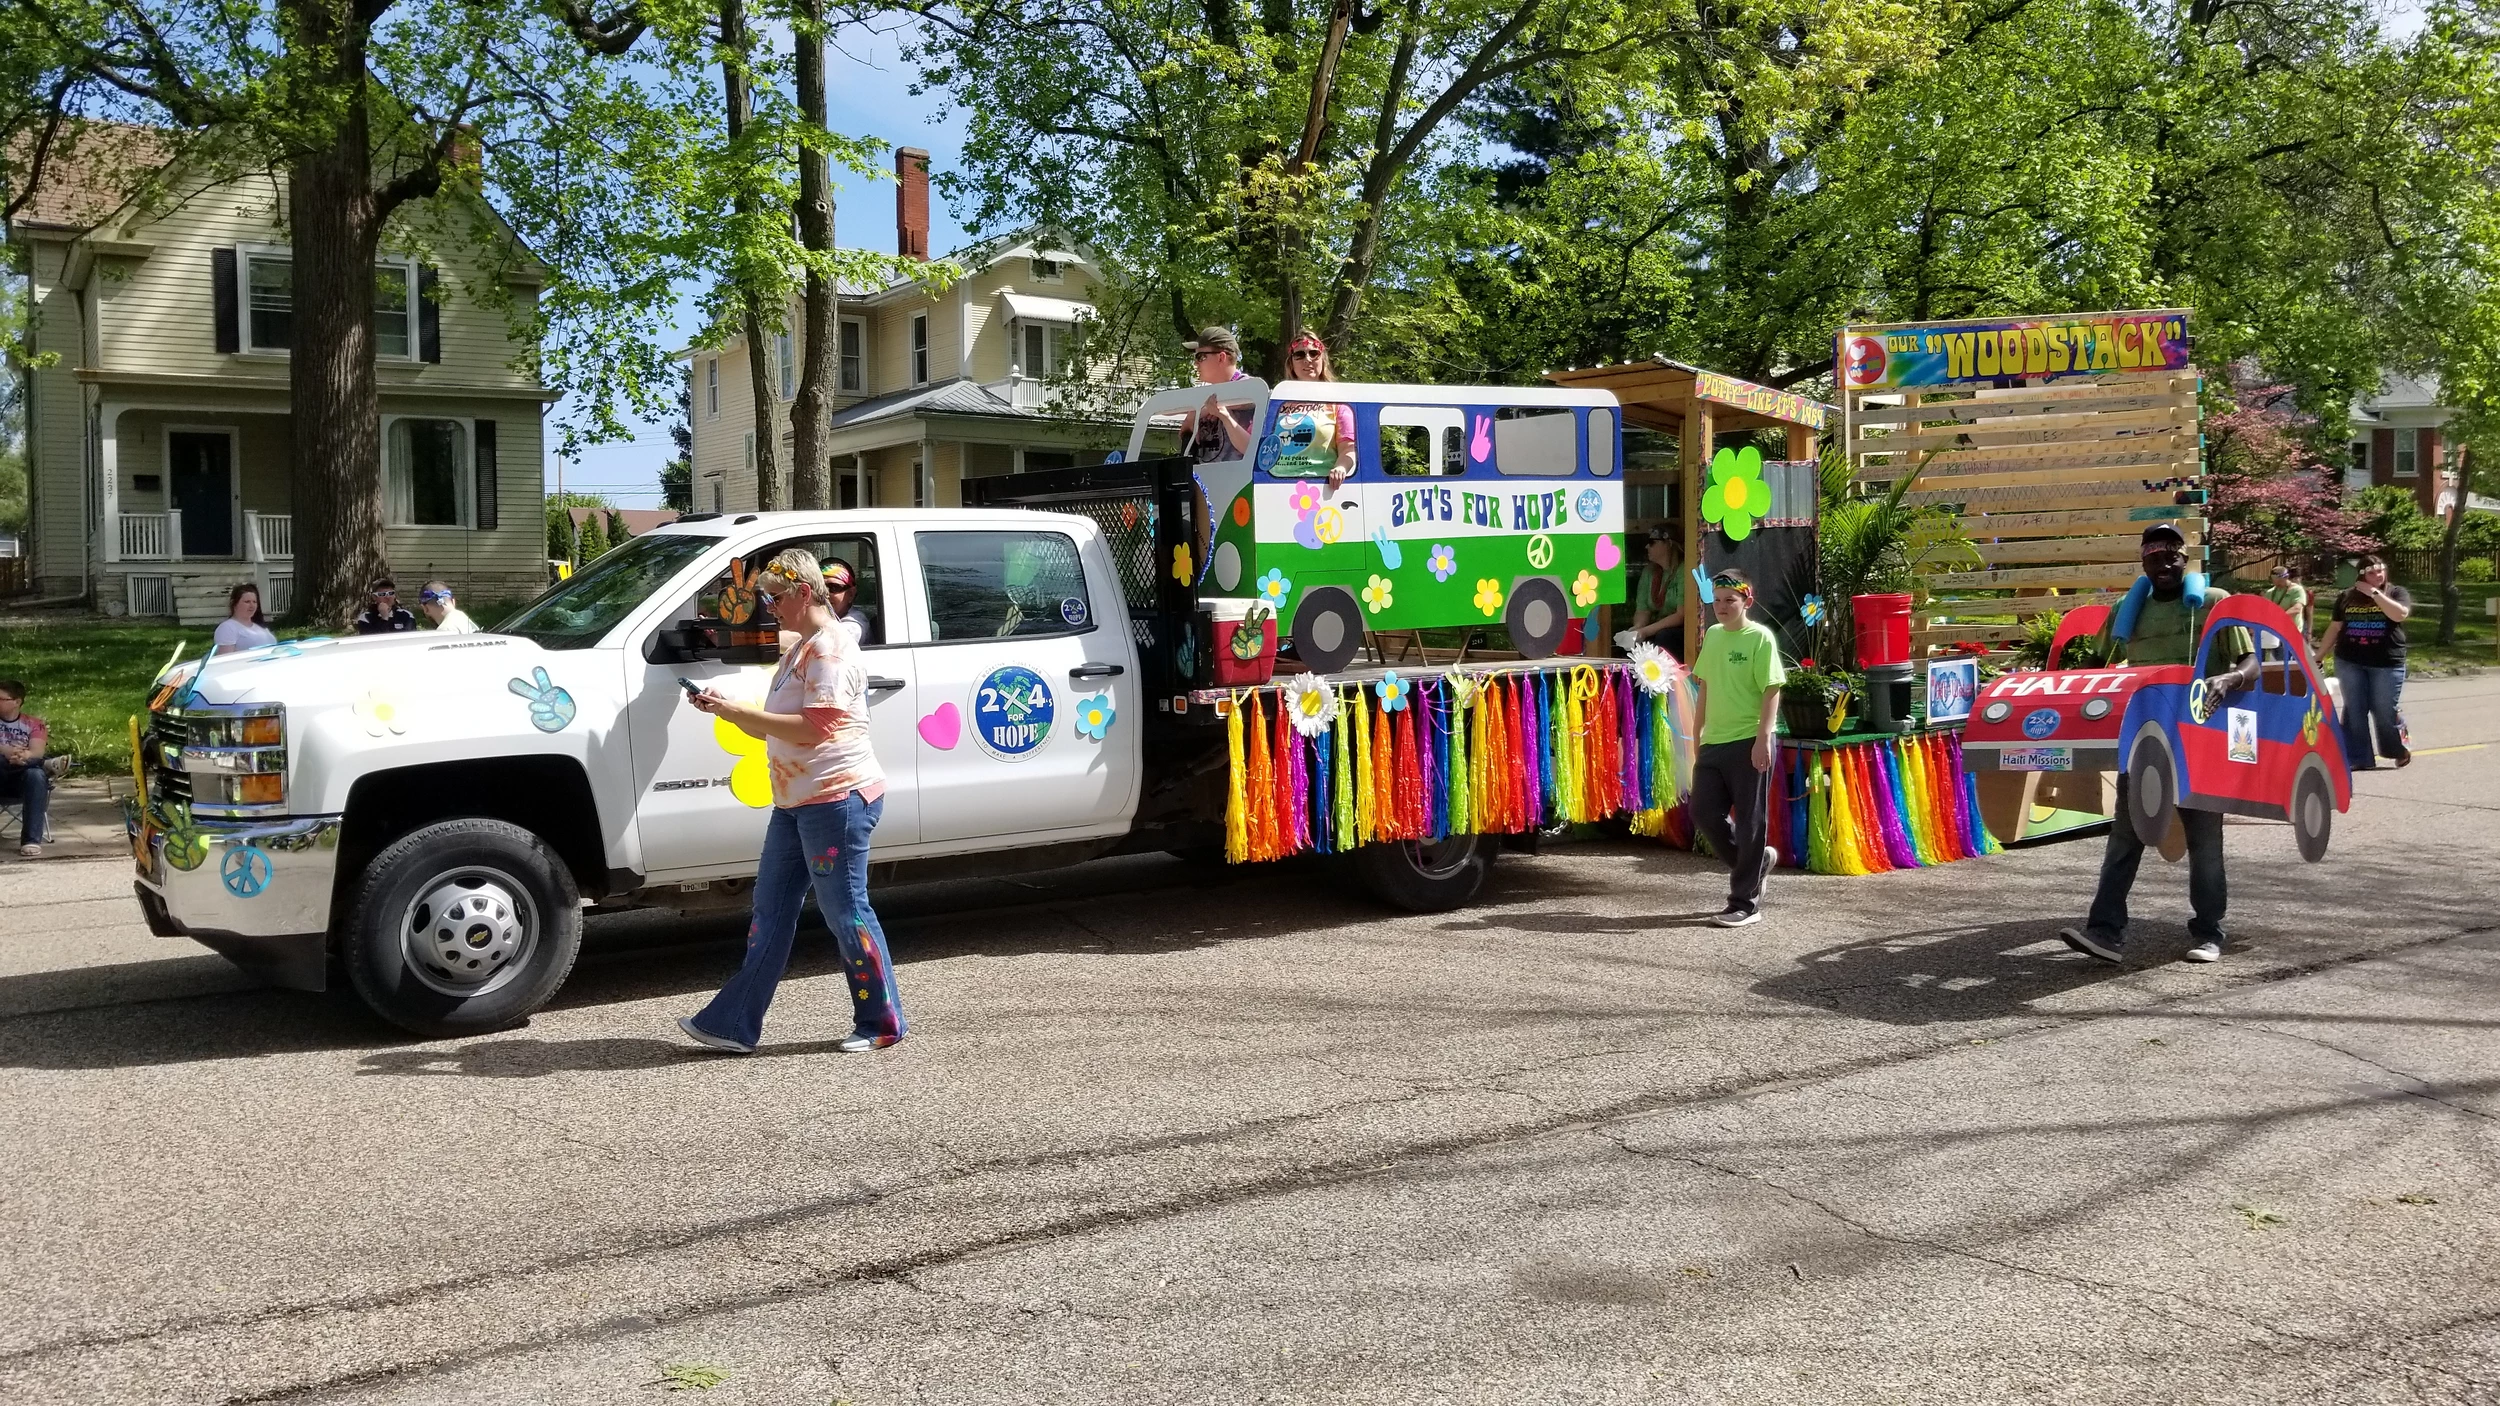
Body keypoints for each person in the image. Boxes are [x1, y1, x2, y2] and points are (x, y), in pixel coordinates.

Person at [680, 548, 905, 1054]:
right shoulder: (802, 647)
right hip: (798, 802)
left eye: (776, 597)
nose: (770, 606)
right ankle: (733, 1024)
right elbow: (782, 727)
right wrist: (726, 707)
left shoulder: (831, 649)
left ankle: (882, 1020)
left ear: (805, 593)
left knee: (846, 912)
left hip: (837, 800)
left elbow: (813, 729)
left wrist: (737, 715)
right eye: (765, 597)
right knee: (771, 912)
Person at [2060, 522, 2259, 966]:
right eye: (2154, 556)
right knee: (2125, 837)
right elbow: (2094, 664)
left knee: (2204, 842)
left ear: (2184, 560)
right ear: (2143, 561)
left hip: (2201, 740)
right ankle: (2104, 931)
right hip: (2145, 737)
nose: (2164, 563)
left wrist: (2229, 678)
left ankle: (2209, 933)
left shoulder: (2213, 603)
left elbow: (2251, 661)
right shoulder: (2126, 612)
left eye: (2173, 555)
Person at [1688, 569, 1785, 928]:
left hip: (1748, 740)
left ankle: (1744, 902)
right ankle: (1755, 865)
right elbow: (1706, 686)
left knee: (1750, 823)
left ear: (1747, 601)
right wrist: (1697, 733)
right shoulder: (1713, 636)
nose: (1723, 606)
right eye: (1717, 600)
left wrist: (1763, 737)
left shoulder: (1760, 638)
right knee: (1703, 813)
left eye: (1730, 599)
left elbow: (1772, 688)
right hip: (1715, 740)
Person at [2321, 553, 2413, 770]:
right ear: (2361, 576)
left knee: (2384, 710)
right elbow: (2335, 627)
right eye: (2371, 573)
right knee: (2355, 709)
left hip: (2387, 663)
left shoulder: (2395, 592)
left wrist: (2374, 594)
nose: (2378, 575)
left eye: (2380, 571)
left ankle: (2397, 749)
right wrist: (2319, 655)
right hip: (2350, 660)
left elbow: (2400, 615)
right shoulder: (2346, 596)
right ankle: (2359, 757)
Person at [1274, 330, 1358, 493]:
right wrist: (1225, 415)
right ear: (1291, 363)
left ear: (1323, 360)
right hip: (1275, 486)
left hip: (1321, 488)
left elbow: (1348, 449)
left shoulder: (1338, 402)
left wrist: (1341, 468)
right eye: (1299, 355)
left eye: (1314, 353)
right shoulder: (1276, 401)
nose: (1308, 360)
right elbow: (1253, 443)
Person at [1186, 326, 1254, 464]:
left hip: (1239, 482)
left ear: (1221, 357)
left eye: (1201, 357)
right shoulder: (1205, 394)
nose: (1196, 363)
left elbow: (1246, 396)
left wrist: (1195, 413)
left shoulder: (1247, 385)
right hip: (1205, 480)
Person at [1616, 525, 1686, 655]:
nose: (1646, 547)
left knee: (1663, 637)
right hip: (1655, 629)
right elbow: (1643, 610)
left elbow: (1681, 615)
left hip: (1677, 632)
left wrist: (1645, 632)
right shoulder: (1648, 572)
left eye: (1652, 543)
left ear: (1668, 543)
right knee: (1630, 643)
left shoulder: (1683, 570)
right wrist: (1637, 629)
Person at [0, 681, 49, 858]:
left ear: (17, 702)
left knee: (35, 773)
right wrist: (7, 751)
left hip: (21, 777)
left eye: (1, 699)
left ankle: (31, 840)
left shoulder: (34, 724)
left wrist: (23, 757)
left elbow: (36, 751)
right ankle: (51, 765)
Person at [823, 559, 876, 647]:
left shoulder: (854, 626)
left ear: (851, 594)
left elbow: (825, 648)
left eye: (833, 587)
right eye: (819, 587)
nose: (824, 593)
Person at [212, 583, 277, 655]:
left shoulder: (259, 627)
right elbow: (225, 660)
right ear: (234, 603)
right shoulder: (227, 628)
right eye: (247, 602)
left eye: (254, 602)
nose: (252, 606)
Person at [353, 578, 418, 635]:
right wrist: (384, 618)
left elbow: (410, 639)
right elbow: (372, 642)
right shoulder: (366, 618)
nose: (388, 597)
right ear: (374, 597)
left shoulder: (406, 615)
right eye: (382, 594)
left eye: (391, 593)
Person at [2263, 565, 2309, 644]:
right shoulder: (2270, 592)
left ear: (2285, 577)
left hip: (2292, 632)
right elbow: (2264, 610)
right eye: (2273, 579)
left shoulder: (2297, 590)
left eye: (2278, 580)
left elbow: (2297, 608)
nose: (2275, 582)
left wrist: (2279, 617)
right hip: (2275, 631)